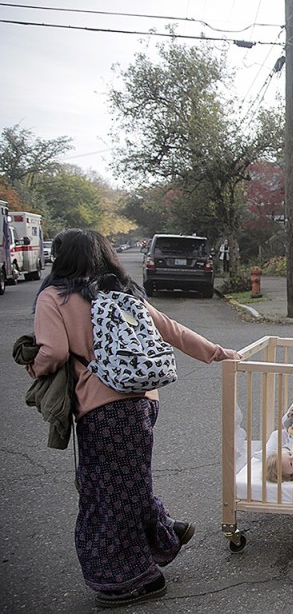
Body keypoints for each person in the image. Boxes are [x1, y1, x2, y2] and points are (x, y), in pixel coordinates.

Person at [27, 229, 240, 608]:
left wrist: (34, 366)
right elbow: (170, 329)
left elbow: (54, 352)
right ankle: (162, 532)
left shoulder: (54, 297)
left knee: (106, 493)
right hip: (142, 402)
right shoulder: (120, 292)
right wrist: (217, 352)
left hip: (102, 408)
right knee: (126, 482)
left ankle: (134, 577)